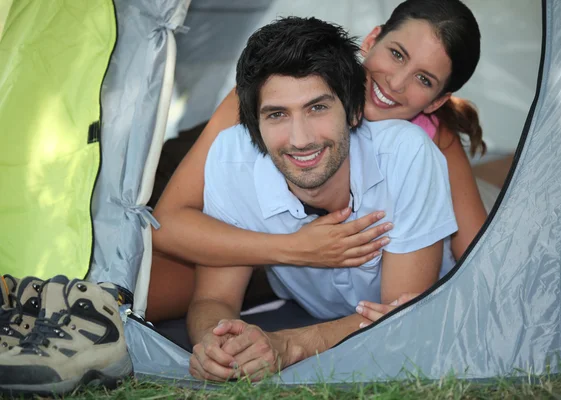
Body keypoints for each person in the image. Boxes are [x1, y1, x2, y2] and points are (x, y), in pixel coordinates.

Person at [147, 0, 486, 323]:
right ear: (372, 40)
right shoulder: (275, 97)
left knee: (174, 291)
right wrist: (293, 249)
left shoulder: (430, 141)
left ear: (436, 100)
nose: (395, 83)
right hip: (204, 173)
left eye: (423, 79)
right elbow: (169, 225)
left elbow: (479, 258)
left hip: (295, 257)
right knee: (143, 280)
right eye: (396, 55)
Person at [187, 15, 456, 382]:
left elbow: (401, 319)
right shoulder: (231, 160)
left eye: (317, 108)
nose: (300, 139)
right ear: (255, 128)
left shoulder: (408, 155)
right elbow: (213, 300)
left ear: (355, 111)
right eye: (277, 114)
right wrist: (217, 344)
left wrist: (291, 345)